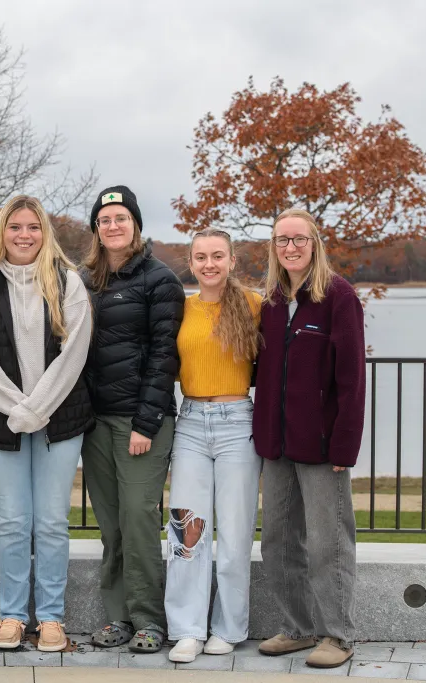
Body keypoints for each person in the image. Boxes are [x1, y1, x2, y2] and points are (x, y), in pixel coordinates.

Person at [0, 195, 93, 653]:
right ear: (3, 231)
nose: (24, 235)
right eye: (15, 226)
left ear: (44, 232)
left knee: (53, 522)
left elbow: (75, 353)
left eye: (33, 227)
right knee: (13, 522)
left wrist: (38, 408)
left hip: (60, 421)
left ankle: (52, 618)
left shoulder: (67, 282)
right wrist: (18, 410)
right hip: (3, 422)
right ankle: (13, 616)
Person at [253, 208, 365, 669]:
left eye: (299, 239)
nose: (290, 248)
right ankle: (299, 629)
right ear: (274, 248)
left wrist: (344, 446)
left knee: (328, 544)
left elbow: (352, 380)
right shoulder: (273, 301)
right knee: (277, 542)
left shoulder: (338, 296)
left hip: (321, 448)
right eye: (282, 240)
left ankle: (337, 636)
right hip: (276, 445)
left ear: (314, 243)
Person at [81, 185, 185, 653]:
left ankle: (150, 619)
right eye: (104, 220)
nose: (113, 226)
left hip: (142, 423)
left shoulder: (159, 279)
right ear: (97, 230)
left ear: (136, 224)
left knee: (140, 520)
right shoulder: (85, 280)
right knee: (111, 524)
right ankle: (118, 616)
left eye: (121, 217)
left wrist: (146, 423)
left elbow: (166, 356)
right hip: (95, 424)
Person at [163, 228, 263, 663]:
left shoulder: (254, 306)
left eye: (217, 256)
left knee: (236, 530)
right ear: (191, 261)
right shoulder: (180, 310)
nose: (209, 264)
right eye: (201, 256)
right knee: (188, 529)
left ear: (232, 260)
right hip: (190, 423)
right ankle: (187, 628)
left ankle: (228, 626)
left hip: (238, 423)